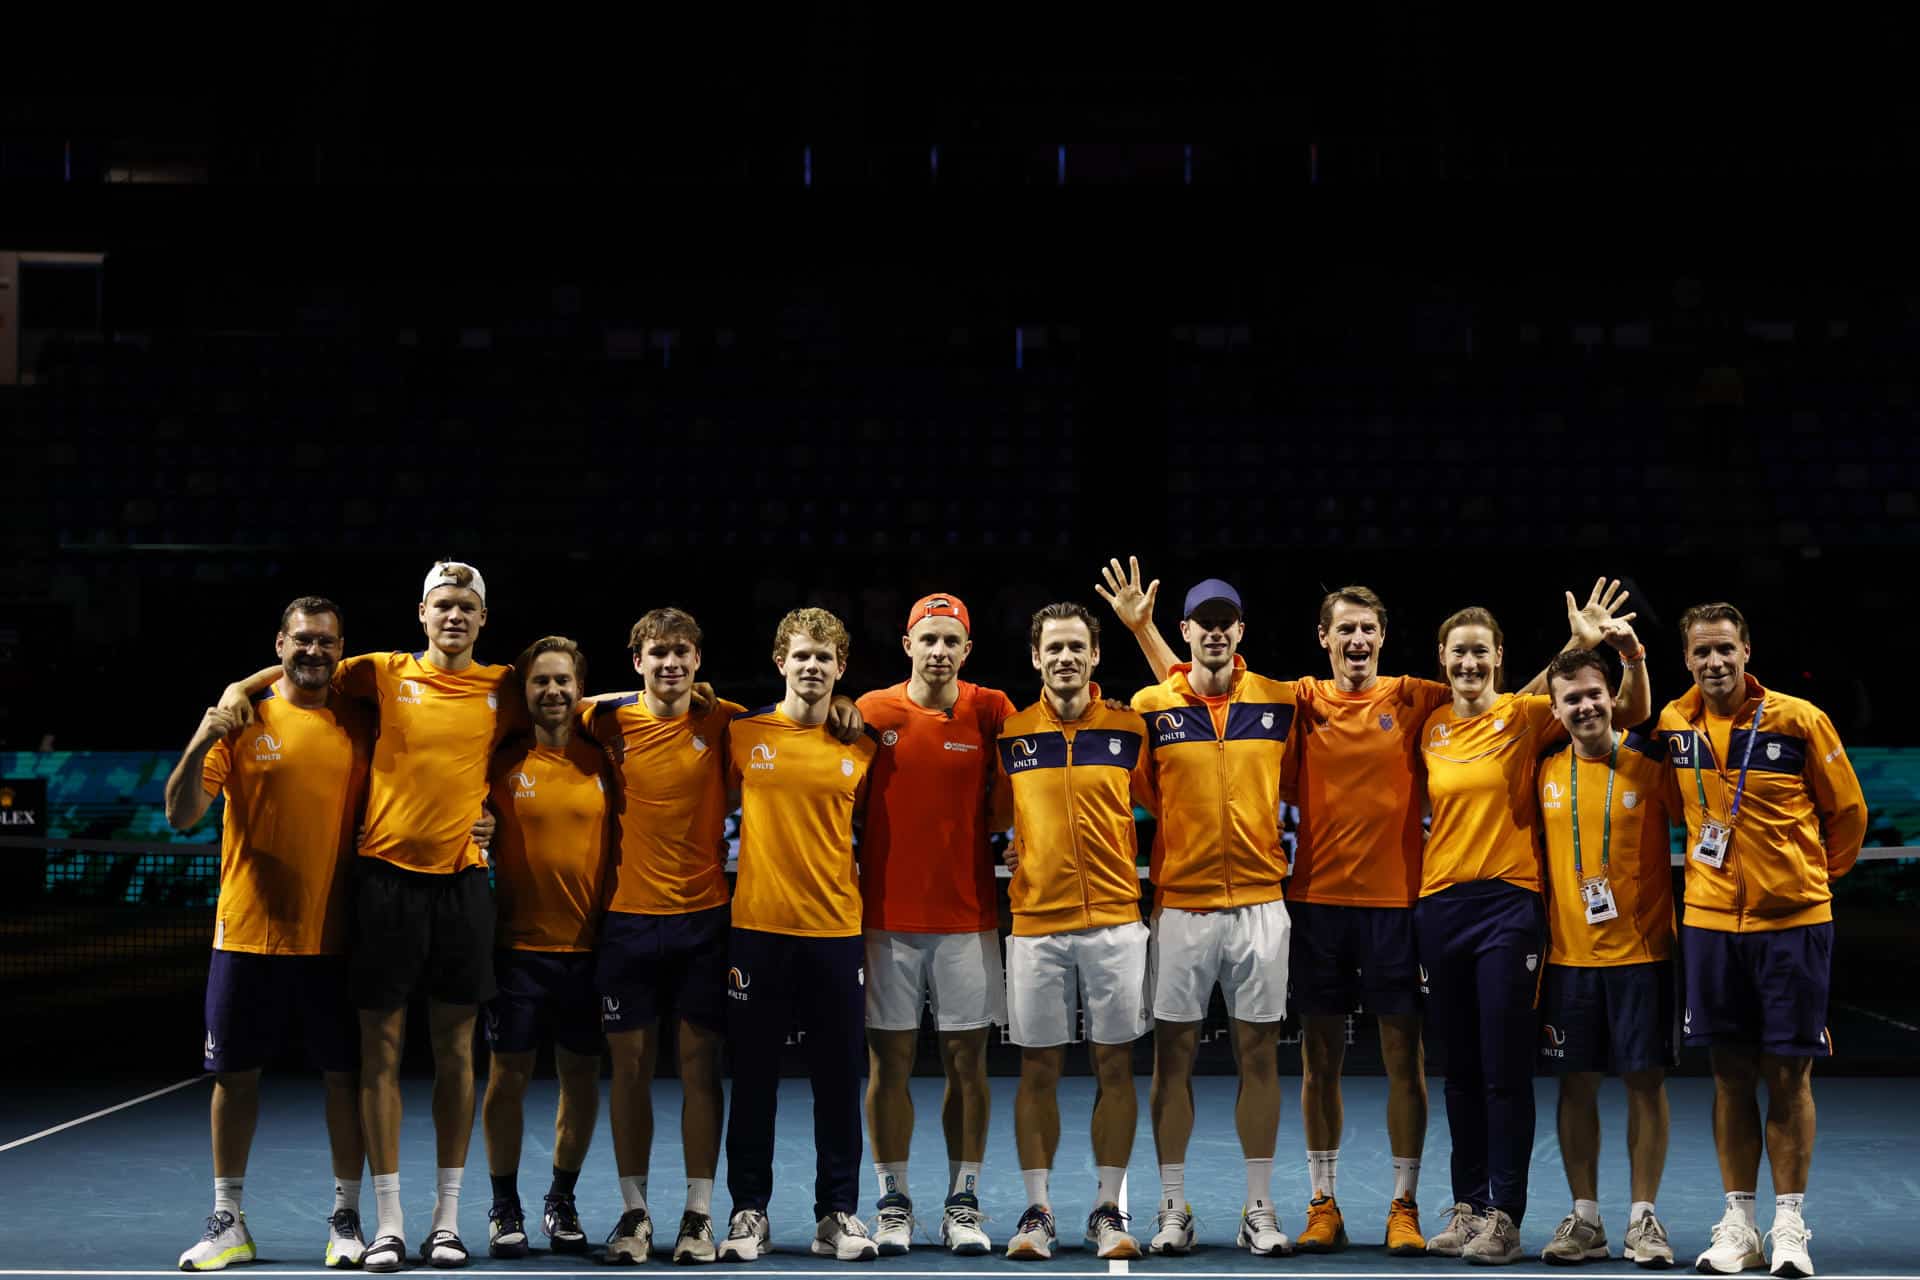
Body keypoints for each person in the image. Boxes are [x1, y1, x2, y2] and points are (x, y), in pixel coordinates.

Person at [217, 560, 514, 1271]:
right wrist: (237, 686)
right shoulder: (375, 671)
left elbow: (577, 700)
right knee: (376, 1056)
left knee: (456, 1057)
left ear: (481, 619)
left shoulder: (504, 687)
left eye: (466, 606)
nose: (454, 616)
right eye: (443, 604)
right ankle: (386, 1222)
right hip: (382, 885)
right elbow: (298, 664)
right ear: (421, 613)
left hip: (463, 887)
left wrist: (697, 691)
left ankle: (446, 1221)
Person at [1417, 593, 1647, 1265]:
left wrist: (1584, 644)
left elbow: (1622, 711)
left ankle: (1504, 1215)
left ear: (1499, 659)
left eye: (1480, 651)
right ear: (1441, 658)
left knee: (1503, 1070)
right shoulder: (1428, 727)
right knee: (1458, 1072)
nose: (1468, 661)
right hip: (1440, 906)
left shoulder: (1524, 715)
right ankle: (1467, 1205)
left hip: (1507, 910)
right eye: (1457, 650)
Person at [165, 597, 372, 1271]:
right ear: (280, 641)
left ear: (341, 649)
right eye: (302, 640)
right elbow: (182, 815)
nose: (314, 651)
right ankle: (229, 1221)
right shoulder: (243, 720)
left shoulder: (359, 719)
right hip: (247, 934)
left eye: (327, 642)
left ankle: (346, 1219)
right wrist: (207, 729)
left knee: (344, 1079)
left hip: (338, 936)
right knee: (235, 1076)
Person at [1659, 603, 1865, 1279]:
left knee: (1788, 1074)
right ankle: (1740, 1224)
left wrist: (1802, 882)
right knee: (1728, 1075)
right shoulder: (1673, 724)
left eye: (1725, 649)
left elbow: (1849, 814)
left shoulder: (1798, 719)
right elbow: (1668, 803)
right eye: (1701, 653)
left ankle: (1789, 1226)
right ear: (1686, 660)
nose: (1714, 662)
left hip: (1793, 928)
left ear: (1747, 650)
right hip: (1711, 926)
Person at [1109, 575, 1298, 1257]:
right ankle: (1170, 1207)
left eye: (1227, 621)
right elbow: (1143, 791)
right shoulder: (1152, 706)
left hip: (1260, 906)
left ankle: (1258, 1207)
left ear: (1241, 630)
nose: (1215, 631)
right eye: (1201, 622)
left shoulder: (1280, 700)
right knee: (1173, 1059)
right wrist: (1138, 630)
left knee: (1260, 1058)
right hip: (1182, 905)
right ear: (1184, 633)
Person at [716, 608, 882, 1264]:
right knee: (753, 1079)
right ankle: (748, 1212)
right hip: (757, 931)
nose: (812, 667)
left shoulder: (861, 743)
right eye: (801, 656)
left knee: (840, 1081)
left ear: (841, 669)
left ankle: (836, 1212)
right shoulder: (740, 734)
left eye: (825, 659)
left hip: (837, 933)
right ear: (780, 661)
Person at [996, 602, 1156, 1263]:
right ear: (1036, 658)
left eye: (1077, 648)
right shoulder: (1008, 734)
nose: (1065, 657)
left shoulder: (1129, 729)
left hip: (1117, 919)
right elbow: (991, 817)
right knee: (1037, 1068)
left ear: (1095, 657)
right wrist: (1015, 850)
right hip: (1035, 924)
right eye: (1053, 648)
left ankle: (1107, 1208)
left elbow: (1173, 801)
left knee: (1115, 1067)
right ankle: (1038, 1213)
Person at [856, 594, 1015, 1256]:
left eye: (952, 640)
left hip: (968, 918)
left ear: (967, 650)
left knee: (966, 1063)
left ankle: (962, 1202)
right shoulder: (871, 712)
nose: (940, 650)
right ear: (908, 645)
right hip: (885, 920)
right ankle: (892, 1202)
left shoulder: (991, 709)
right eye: (930, 639)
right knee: (887, 1064)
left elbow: (1016, 795)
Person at [590, 609, 744, 1265]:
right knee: (628, 1071)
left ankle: (699, 1215)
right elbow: (550, 696)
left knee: (699, 1069)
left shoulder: (726, 720)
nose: (671, 664)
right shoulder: (605, 722)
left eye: (682, 652)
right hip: (627, 920)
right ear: (637, 661)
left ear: (699, 660)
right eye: (658, 653)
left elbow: (805, 711)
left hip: (703, 920)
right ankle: (634, 1214)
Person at [1534, 641, 1676, 1267]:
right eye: (1572, 698)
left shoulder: (1652, 764)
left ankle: (1643, 1218)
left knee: (1646, 1085)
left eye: (1595, 693)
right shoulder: (1542, 770)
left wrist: (1635, 661)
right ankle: (1585, 1217)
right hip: (1568, 959)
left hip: (1643, 957)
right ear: (1556, 708)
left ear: (1612, 699)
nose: (1585, 706)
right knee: (1576, 1086)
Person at [479, 637, 613, 1259]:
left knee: (580, 1078)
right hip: (516, 950)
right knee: (507, 1078)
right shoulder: (499, 761)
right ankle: (504, 1205)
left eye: (564, 681)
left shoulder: (605, 759)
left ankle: (561, 1199)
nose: (554, 692)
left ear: (580, 689)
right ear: (524, 690)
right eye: (541, 682)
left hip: (591, 949)